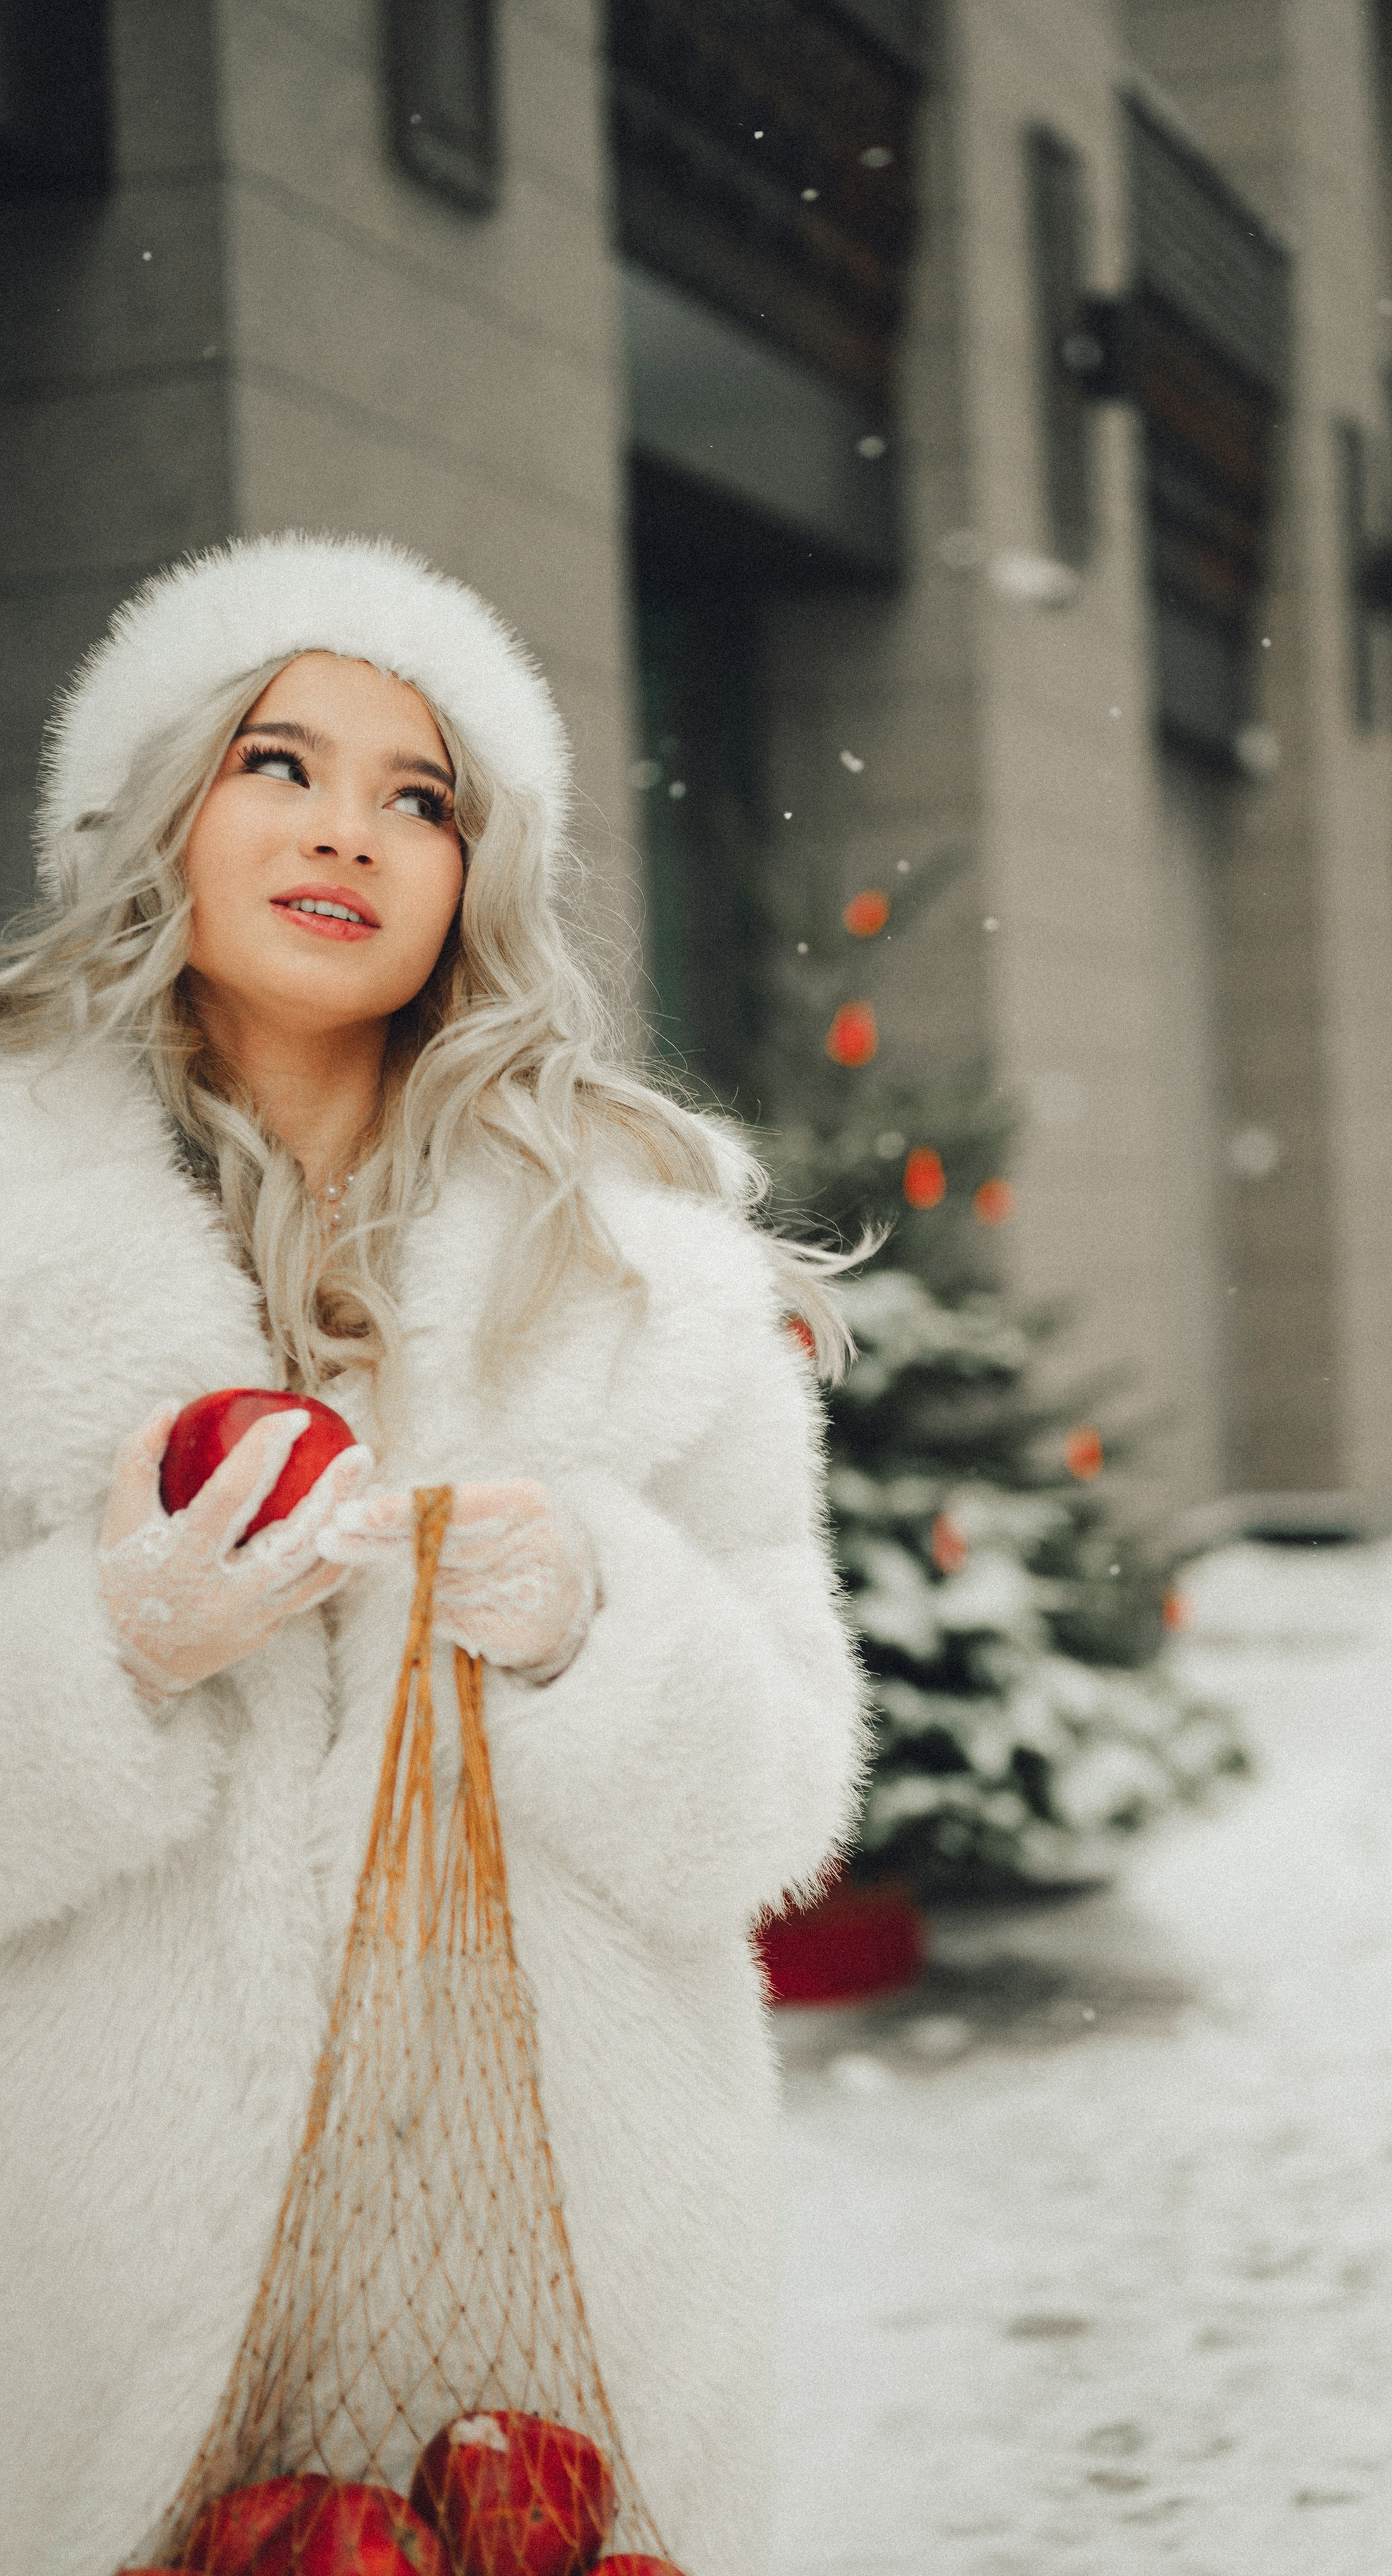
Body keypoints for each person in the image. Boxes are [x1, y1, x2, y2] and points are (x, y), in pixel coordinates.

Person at [0, 534, 865, 2576]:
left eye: (422, 797)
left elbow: (782, 1800)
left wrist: (600, 1625)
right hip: (102, 2297)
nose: (350, 834)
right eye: (279, 763)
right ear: (158, 809)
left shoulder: (642, 1267)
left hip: (573, 2333)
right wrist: (111, 1647)